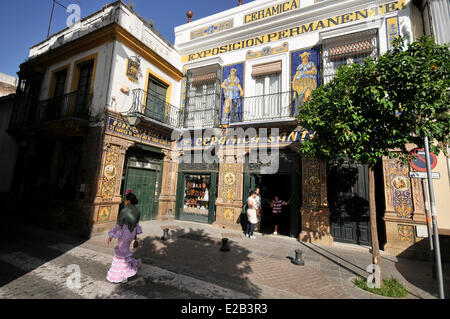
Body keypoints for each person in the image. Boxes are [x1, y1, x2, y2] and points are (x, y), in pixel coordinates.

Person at [106, 192, 143, 283]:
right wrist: (136, 237)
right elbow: (137, 224)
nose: (125, 201)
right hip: (132, 233)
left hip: (125, 233)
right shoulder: (137, 210)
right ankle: (126, 271)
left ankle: (123, 274)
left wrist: (111, 236)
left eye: (126, 199)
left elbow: (119, 225)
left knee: (122, 252)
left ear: (128, 201)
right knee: (124, 250)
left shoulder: (124, 210)